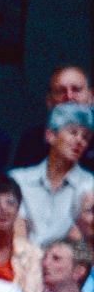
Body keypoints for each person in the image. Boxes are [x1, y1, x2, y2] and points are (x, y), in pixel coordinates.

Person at [12, 105, 94, 247]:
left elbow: (80, 241)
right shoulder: (19, 180)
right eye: (73, 132)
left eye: (85, 137)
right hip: (23, 262)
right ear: (50, 135)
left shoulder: (90, 186)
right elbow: (18, 236)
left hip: (69, 263)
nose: (80, 140)